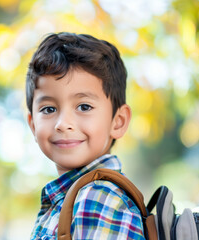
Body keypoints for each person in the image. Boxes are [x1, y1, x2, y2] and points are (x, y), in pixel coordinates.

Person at [26, 32, 145, 239]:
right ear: (33, 125)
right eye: (48, 109)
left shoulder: (97, 198)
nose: (63, 124)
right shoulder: (71, 198)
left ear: (118, 121)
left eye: (84, 106)